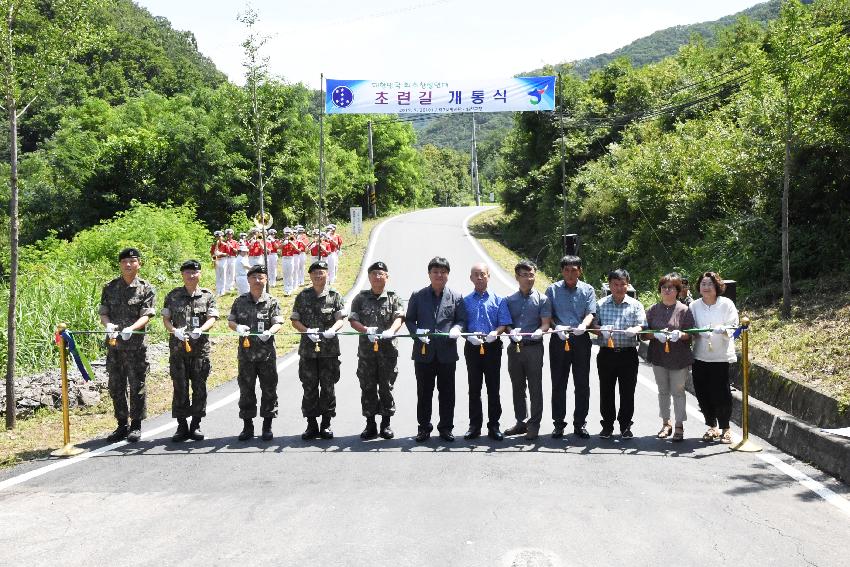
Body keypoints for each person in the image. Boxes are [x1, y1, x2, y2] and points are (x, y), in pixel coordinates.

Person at [405, 256, 467, 443]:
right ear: (429, 274)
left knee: (447, 392)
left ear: (448, 274)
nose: (439, 275)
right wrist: (417, 334)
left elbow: (461, 320)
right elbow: (409, 319)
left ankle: (446, 428)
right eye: (435, 272)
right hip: (423, 352)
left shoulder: (456, 297)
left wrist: (457, 329)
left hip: (447, 353)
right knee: (424, 392)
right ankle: (423, 428)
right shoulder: (418, 295)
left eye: (443, 272)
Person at [98, 247, 156, 443]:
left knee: (136, 385)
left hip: (136, 346)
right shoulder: (110, 287)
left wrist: (132, 328)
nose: (128, 265)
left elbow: (147, 314)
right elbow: (104, 312)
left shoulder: (146, 288)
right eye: (124, 262)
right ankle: (121, 425)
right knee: (116, 385)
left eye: (132, 261)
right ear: (120, 264)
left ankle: (136, 425)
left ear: (139, 264)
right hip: (115, 345)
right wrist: (108, 326)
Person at [161, 260, 219, 442]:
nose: (191, 276)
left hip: (200, 350)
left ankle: (196, 424)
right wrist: (173, 331)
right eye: (187, 273)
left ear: (200, 274)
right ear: (182, 275)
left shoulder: (207, 295)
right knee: (180, 387)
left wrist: (202, 329)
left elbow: (212, 317)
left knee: (199, 388)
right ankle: (181, 426)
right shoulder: (173, 295)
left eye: (194, 272)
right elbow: (166, 319)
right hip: (178, 350)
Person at [290, 260, 347, 440]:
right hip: (308, 350)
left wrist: (333, 329)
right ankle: (311, 424)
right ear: (310, 276)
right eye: (315, 273)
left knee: (328, 387)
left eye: (321, 273)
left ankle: (326, 424)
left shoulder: (335, 295)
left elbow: (341, 318)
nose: (318, 276)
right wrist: (306, 331)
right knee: (309, 387)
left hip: (329, 350)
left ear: (327, 275)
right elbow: (294, 320)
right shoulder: (303, 296)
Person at [348, 261, 405, 439]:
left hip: (388, 351)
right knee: (368, 387)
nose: (377, 277)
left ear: (387, 277)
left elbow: (400, 317)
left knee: (386, 387)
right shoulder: (360, 298)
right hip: (367, 353)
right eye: (374, 274)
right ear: (369, 277)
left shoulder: (394, 297)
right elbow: (353, 319)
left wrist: (391, 331)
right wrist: (365, 330)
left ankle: (386, 424)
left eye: (381, 274)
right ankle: (370, 424)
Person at [228, 265, 283, 441]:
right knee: (246, 391)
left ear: (266, 280)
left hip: (266, 355)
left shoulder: (272, 301)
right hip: (246, 356)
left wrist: (270, 332)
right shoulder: (239, 301)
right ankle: (247, 427)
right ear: (248, 280)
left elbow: (278, 322)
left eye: (261, 277)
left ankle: (267, 426)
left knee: (269, 389)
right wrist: (238, 327)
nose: (258, 281)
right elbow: (231, 321)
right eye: (254, 278)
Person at [545, 255, 596, 439]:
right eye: (566, 270)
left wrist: (584, 325)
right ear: (562, 271)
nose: (570, 273)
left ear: (580, 271)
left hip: (581, 339)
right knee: (559, 382)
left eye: (574, 270)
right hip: (559, 338)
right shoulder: (552, 289)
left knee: (582, 383)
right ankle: (558, 424)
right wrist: (555, 326)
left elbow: (591, 312)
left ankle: (580, 423)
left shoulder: (588, 289)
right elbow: (547, 314)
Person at [593, 269, 647, 439]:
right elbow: (593, 325)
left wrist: (635, 330)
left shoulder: (635, 304)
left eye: (622, 284)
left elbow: (642, 325)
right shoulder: (600, 304)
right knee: (606, 390)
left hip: (628, 354)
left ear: (627, 284)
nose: (619, 288)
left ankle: (625, 425)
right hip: (606, 354)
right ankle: (607, 425)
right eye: (615, 284)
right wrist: (600, 330)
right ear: (609, 285)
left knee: (627, 391)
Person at [462, 263, 512, 441]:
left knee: (493, 387)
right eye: (476, 275)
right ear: (471, 278)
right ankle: (474, 426)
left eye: (482, 274)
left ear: (489, 276)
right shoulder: (465, 301)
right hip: (473, 347)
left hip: (492, 347)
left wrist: (496, 333)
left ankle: (494, 425)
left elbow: (503, 323)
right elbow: (461, 325)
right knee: (474, 388)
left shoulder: (499, 300)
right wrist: (468, 336)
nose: (479, 278)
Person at [690, 271, 740, 444]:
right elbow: (690, 327)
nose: (706, 287)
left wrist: (722, 329)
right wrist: (697, 333)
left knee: (722, 393)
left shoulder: (726, 304)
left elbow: (734, 325)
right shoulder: (694, 306)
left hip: (720, 356)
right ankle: (712, 426)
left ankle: (726, 428)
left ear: (717, 286)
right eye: (703, 284)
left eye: (709, 284)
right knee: (702, 392)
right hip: (700, 356)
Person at [505, 259, 552, 441]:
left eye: (531, 274)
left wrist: (540, 332)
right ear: (517, 277)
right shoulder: (509, 300)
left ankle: (534, 424)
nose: (529, 278)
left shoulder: (542, 299)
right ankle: (520, 422)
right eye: (524, 275)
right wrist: (511, 332)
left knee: (535, 386)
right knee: (517, 386)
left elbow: (546, 324)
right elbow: (506, 324)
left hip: (534, 348)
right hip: (514, 347)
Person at [645, 273, 695, 442]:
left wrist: (681, 335)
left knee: (678, 391)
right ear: (660, 290)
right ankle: (666, 423)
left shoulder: (685, 310)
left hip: (679, 357)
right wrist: (655, 335)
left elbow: (691, 334)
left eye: (671, 288)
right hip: (658, 356)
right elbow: (643, 335)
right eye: (664, 287)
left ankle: (679, 424)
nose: (667, 290)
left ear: (678, 291)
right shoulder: (652, 310)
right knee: (663, 391)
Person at [279, 227, 300, 295]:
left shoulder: (293, 240)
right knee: (285, 273)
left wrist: (291, 242)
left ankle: (290, 289)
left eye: (288, 234)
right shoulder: (282, 240)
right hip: (284, 258)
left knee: (290, 274)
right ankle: (285, 289)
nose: (287, 235)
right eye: (286, 234)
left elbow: (297, 249)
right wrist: (283, 243)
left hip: (291, 258)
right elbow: (278, 247)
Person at [210, 230, 231, 296]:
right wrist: (214, 258)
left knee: (223, 275)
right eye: (217, 237)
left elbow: (228, 254)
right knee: (217, 276)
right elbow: (212, 254)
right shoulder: (214, 245)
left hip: (223, 260)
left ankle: (223, 290)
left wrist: (221, 253)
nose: (218, 238)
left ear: (222, 237)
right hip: (217, 260)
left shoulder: (225, 245)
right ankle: (218, 290)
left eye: (219, 237)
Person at [224, 228, 239, 292]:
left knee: (232, 272)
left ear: (232, 235)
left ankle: (231, 286)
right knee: (226, 272)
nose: (228, 235)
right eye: (227, 234)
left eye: (230, 234)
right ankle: (226, 286)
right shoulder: (224, 242)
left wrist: (231, 246)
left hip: (232, 258)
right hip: (226, 258)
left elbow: (237, 251)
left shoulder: (235, 242)